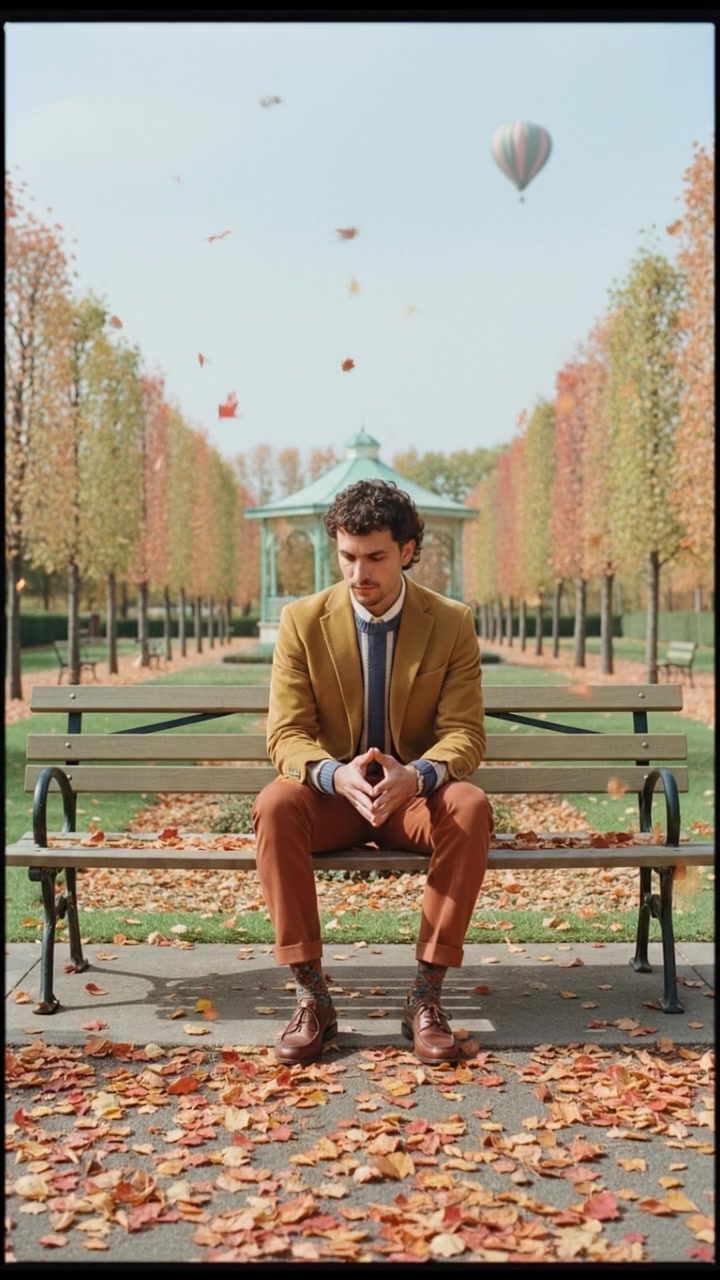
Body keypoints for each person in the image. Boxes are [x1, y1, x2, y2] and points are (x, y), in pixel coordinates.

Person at [252, 479, 493, 1067]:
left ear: (409, 550)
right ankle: (312, 995)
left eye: (376, 557)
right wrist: (335, 776)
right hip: (334, 799)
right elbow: (285, 735)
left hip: (413, 801)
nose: (360, 572)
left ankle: (426, 996)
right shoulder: (303, 621)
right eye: (348, 557)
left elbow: (465, 733)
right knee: (275, 804)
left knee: (471, 806)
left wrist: (419, 776)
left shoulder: (452, 621)